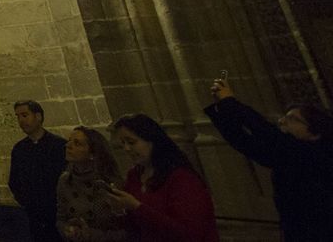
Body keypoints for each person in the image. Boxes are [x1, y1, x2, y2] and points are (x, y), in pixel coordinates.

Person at [204, 77, 333, 241]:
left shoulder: (315, 153)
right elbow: (245, 143)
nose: (282, 121)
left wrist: (230, 101)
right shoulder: (286, 155)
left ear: (314, 132)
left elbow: (266, 132)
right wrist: (220, 108)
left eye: (292, 119)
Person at [108, 114, 219, 242]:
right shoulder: (134, 176)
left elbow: (189, 233)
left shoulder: (181, 178)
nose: (126, 149)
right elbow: (135, 227)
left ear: (152, 140)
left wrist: (137, 206)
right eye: (123, 143)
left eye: (132, 142)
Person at [8, 99, 67, 242]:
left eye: (25, 115)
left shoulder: (59, 145)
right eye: (18, 117)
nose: (21, 120)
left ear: (38, 116)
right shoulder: (19, 149)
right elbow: (14, 181)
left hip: (59, 213)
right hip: (34, 215)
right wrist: (27, 201)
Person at [55, 127, 127, 241]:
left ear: (92, 153)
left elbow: (126, 230)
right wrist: (67, 229)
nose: (68, 145)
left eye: (77, 143)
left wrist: (92, 235)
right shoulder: (65, 181)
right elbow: (61, 218)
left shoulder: (110, 182)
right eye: (69, 141)